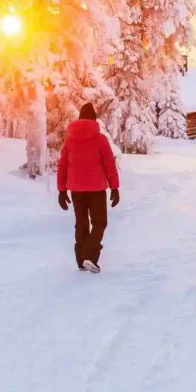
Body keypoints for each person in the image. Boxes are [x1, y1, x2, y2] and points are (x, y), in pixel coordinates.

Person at [57, 103, 120, 273]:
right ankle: (90, 256)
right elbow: (109, 165)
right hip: (97, 189)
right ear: (93, 119)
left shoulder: (70, 140)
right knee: (100, 222)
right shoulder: (100, 139)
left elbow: (62, 165)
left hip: (76, 189)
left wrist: (61, 190)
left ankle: (80, 259)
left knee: (82, 223)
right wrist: (114, 188)